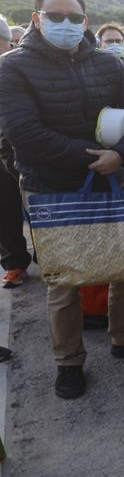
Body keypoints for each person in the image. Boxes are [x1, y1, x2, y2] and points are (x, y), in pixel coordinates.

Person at [0, 0, 124, 400]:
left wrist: (121, 156)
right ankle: (69, 361)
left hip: (112, 178)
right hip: (51, 186)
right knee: (64, 279)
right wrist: (94, 155)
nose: (66, 25)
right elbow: (22, 132)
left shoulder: (106, 63)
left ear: (85, 22)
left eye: (74, 18)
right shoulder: (13, 68)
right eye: (56, 17)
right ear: (37, 19)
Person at [0, 15, 31, 289]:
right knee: (4, 210)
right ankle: (15, 264)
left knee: (38, 208)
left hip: (24, 149)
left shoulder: (20, 66)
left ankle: (55, 257)